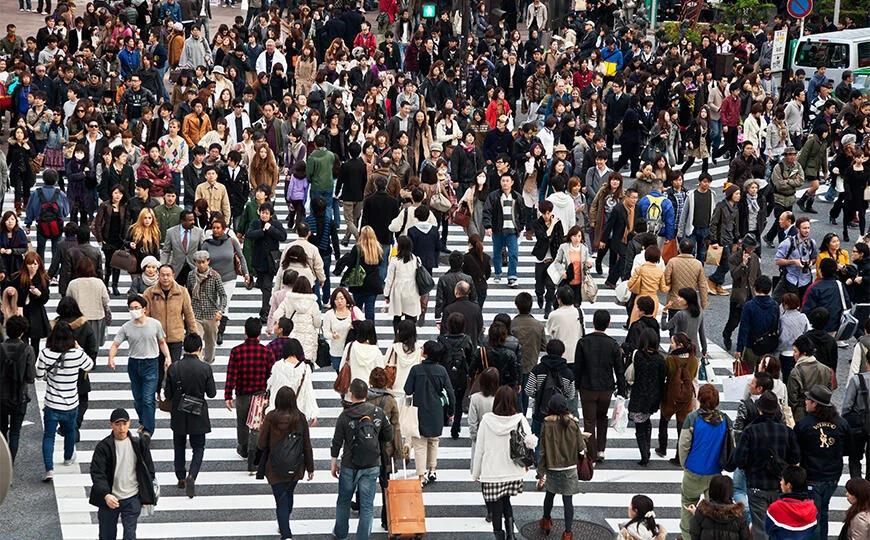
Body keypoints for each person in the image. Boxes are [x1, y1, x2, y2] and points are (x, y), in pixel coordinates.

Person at [330, 378, 393, 540]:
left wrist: (334, 463)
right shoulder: (377, 412)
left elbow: (336, 442)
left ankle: (341, 533)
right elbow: (389, 435)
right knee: (367, 506)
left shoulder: (345, 416)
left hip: (349, 464)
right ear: (367, 394)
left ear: (351, 395)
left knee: (343, 501)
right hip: (372, 463)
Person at [734, 390, 801, 537]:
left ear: (759, 410)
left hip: (756, 484)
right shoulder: (786, 431)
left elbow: (739, 460)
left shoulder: (750, 431)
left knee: (760, 527)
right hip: (779, 484)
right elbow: (795, 458)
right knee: (778, 524)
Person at [472, 385, 536, 539]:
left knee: (496, 506)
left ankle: (499, 535)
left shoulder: (487, 420)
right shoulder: (519, 419)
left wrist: (476, 473)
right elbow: (530, 442)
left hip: (492, 471)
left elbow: (479, 448)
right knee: (506, 500)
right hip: (512, 470)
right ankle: (510, 535)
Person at [108, 295, 172, 440]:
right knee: (138, 398)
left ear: (144, 309)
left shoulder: (155, 324)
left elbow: (162, 342)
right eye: (131, 308)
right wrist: (111, 358)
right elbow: (115, 344)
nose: (134, 311)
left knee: (148, 399)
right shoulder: (126, 327)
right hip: (134, 364)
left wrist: (167, 357)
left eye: (136, 308)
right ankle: (144, 422)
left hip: (151, 363)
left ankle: (148, 430)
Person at [36, 321, 94, 481]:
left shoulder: (46, 353)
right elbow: (90, 365)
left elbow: (39, 375)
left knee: (49, 436)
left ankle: (49, 469)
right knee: (69, 431)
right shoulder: (76, 354)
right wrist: (79, 348)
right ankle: (68, 458)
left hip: (52, 403)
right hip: (71, 402)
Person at [256, 385, 315, 540]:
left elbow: (261, 443)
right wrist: (310, 468)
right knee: (288, 494)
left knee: (280, 499)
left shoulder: (271, 417)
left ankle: (286, 533)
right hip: (295, 466)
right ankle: (284, 523)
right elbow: (306, 444)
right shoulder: (300, 417)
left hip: (274, 466)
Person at [89, 408, 157, 540]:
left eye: (124, 424)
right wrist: (106, 495)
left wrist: (145, 496)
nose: (121, 428)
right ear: (111, 424)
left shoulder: (139, 443)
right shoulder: (104, 447)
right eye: (118, 424)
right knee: (106, 535)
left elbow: (148, 470)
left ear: (129, 423)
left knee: (130, 535)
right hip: (110, 499)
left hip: (132, 497)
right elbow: (98, 473)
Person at [793, 385, 851, 539]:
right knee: (823, 510)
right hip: (832, 475)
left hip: (812, 475)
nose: (805, 402)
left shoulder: (803, 424)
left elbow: (795, 451)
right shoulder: (842, 423)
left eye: (808, 399)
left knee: (814, 515)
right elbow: (848, 449)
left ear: (815, 404)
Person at [677, 385, 735, 538]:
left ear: (699, 399)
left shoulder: (693, 418)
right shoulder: (725, 419)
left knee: (688, 503)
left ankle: (687, 536)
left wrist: (685, 465)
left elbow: (683, 445)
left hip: (694, 470)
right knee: (714, 508)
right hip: (715, 472)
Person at [164, 333, 215, 499]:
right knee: (198, 447)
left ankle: (180, 476)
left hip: (178, 411)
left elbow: (168, 394)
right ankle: (192, 475)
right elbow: (212, 393)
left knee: (179, 445)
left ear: (184, 348)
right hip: (197, 411)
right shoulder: (205, 368)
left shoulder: (174, 367)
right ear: (199, 349)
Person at [575, 310, 626, 462]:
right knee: (602, 418)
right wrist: (621, 389)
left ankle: (590, 454)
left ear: (593, 323)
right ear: (608, 324)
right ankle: (601, 450)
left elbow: (578, 367)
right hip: (606, 387)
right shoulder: (612, 344)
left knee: (589, 421)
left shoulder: (584, 342)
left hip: (587, 387)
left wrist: (576, 385)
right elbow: (619, 369)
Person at [404, 340, 455, 486]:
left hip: (419, 411)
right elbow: (450, 393)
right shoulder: (442, 371)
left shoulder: (416, 370)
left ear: (425, 354)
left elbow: (407, 390)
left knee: (419, 444)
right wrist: (450, 412)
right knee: (433, 441)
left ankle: (421, 476)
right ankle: (432, 469)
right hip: (436, 411)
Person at [536, 393, 586, 540]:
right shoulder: (573, 423)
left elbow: (543, 449)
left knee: (549, 495)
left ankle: (546, 521)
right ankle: (568, 532)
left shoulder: (547, 424)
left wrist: (540, 471)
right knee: (568, 501)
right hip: (569, 467)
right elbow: (580, 447)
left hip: (552, 467)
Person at [142, 264, 198, 392]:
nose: (165, 278)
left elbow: (189, 314)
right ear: (158, 275)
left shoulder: (182, 292)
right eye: (162, 275)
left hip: (175, 337)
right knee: (156, 368)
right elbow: (145, 315)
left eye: (168, 275)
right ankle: (155, 391)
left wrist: (194, 334)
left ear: (173, 276)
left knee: (173, 368)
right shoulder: (149, 293)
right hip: (156, 338)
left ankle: (170, 393)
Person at [225, 318, 273, 463]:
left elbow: (231, 374)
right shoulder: (266, 352)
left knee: (242, 422)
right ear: (260, 333)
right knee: (256, 425)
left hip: (242, 394)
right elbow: (271, 374)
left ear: (245, 332)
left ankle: (243, 447)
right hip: (259, 394)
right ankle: (254, 453)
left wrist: (228, 395)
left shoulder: (236, 351)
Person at [202, 215, 248, 344]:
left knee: (224, 305)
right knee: (213, 304)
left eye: (218, 228)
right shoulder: (206, 244)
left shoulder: (231, 241)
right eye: (213, 228)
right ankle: (213, 330)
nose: (215, 230)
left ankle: (220, 331)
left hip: (229, 278)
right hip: (211, 279)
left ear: (224, 229)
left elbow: (241, 257)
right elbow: (201, 260)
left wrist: (246, 273)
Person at [627, 328, 666, 466]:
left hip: (639, 396)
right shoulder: (660, 360)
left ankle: (644, 454)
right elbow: (662, 380)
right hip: (653, 397)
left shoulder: (638, 356)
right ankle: (647, 450)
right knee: (646, 421)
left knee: (639, 427)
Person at [0, 315, 35, 462]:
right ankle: (10, 467)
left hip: (1, 396)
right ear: (22, 332)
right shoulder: (28, 350)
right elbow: (31, 377)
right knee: (15, 433)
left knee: (2, 433)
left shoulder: (0, 348)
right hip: (20, 396)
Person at [482, 174, 525, 288]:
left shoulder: (517, 197)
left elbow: (522, 213)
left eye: (507, 180)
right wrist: (488, 226)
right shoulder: (494, 196)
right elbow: (487, 211)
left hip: (512, 230)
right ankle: (497, 272)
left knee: (513, 253)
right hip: (498, 229)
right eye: (503, 180)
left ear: (512, 182)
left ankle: (512, 276)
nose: (505, 183)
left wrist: (520, 227)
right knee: (497, 253)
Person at [247, 203, 287, 322]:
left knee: (267, 286)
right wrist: (263, 231)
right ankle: (266, 306)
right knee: (261, 283)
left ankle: (265, 311)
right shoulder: (255, 223)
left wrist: (271, 229)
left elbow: (283, 236)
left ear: (271, 215)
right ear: (259, 212)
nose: (264, 215)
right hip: (258, 260)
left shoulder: (275, 224)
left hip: (271, 260)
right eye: (262, 212)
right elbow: (249, 234)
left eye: (267, 213)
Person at [265, 338, 319, 425]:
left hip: (279, 411)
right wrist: (313, 413)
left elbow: (271, 387)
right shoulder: (305, 369)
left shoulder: (277, 366)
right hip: (298, 412)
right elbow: (308, 392)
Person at [186, 251, 227, 365]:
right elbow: (188, 292)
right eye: (198, 262)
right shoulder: (191, 275)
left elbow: (223, 295)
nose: (201, 265)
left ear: (208, 261)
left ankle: (208, 363)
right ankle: (197, 364)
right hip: (196, 313)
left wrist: (220, 310)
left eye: (203, 262)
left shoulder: (215, 275)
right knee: (196, 340)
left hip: (211, 314)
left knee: (210, 343)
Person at [724, 234, 762, 350]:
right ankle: (727, 334)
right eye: (751, 247)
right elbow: (734, 276)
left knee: (750, 322)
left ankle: (747, 343)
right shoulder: (734, 258)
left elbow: (758, 274)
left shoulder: (755, 257)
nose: (753, 249)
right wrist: (743, 265)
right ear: (745, 246)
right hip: (739, 296)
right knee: (734, 321)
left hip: (752, 294)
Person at [8, 252, 51, 356]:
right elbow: (12, 294)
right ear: (25, 264)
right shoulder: (17, 277)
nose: (32, 266)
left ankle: (32, 362)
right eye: (30, 264)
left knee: (35, 342)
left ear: (39, 265)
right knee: (23, 340)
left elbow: (45, 298)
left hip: (36, 312)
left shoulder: (43, 278)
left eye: (35, 264)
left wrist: (39, 294)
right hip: (22, 311)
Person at [24, 169, 70, 264]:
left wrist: (28, 224)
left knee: (40, 249)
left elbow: (30, 209)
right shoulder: (60, 194)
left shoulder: (36, 193)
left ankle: (40, 271)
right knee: (56, 250)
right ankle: (54, 274)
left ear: (43, 179)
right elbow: (66, 212)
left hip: (41, 225)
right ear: (56, 180)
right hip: (57, 225)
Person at [735, 276, 779, 373]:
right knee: (764, 377)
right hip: (768, 346)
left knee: (747, 377)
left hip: (751, 346)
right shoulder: (775, 305)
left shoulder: (749, 306)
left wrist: (739, 349)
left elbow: (744, 329)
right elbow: (776, 326)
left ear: (755, 288)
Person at [686, 475, 750, 540]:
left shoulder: (702, 511)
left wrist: (696, 514)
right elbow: (745, 536)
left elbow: (694, 534)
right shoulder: (739, 514)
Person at [787, 335, 835, 422]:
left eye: (795, 351)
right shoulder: (826, 369)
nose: (793, 354)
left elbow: (792, 399)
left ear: (804, 353)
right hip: (822, 412)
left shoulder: (796, 372)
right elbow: (828, 390)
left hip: (801, 414)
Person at [600, 188, 641, 289]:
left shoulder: (637, 209)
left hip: (632, 238)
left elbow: (638, 223)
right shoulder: (618, 209)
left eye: (636, 198)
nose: (634, 200)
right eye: (632, 198)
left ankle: (612, 280)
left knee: (626, 259)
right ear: (627, 197)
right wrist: (603, 240)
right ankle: (619, 280)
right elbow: (609, 225)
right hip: (618, 239)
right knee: (624, 258)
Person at [764, 465, 819, 539]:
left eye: (782, 480)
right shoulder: (812, 508)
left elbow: (768, 530)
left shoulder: (775, 508)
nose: (780, 482)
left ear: (789, 485)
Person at [337, 320, 385, 396]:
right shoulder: (376, 351)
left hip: (351, 391)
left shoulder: (350, 346)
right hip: (369, 393)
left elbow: (341, 367)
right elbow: (381, 372)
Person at [384, 236, 422, 330]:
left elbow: (389, 279)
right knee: (410, 318)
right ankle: (410, 337)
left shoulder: (394, 261)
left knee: (397, 317)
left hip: (398, 291)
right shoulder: (415, 259)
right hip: (412, 290)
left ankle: (398, 337)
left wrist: (386, 294)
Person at [322, 288, 364, 371]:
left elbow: (364, 327)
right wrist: (332, 336)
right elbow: (325, 332)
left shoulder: (354, 311)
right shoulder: (329, 314)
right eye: (336, 299)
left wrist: (355, 326)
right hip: (337, 351)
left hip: (353, 351)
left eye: (342, 298)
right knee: (341, 377)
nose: (339, 301)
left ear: (346, 298)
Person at [843, 353, 870, 479]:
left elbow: (847, 406)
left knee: (854, 458)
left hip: (858, 425)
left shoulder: (857, 380)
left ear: (867, 362)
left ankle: (857, 488)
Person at [161, 210, 204, 284]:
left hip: (193, 268)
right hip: (177, 268)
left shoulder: (199, 232)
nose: (193, 222)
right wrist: (162, 266)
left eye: (193, 219)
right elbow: (166, 251)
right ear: (182, 221)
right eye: (190, 220)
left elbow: (202, 250)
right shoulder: (171, 232)